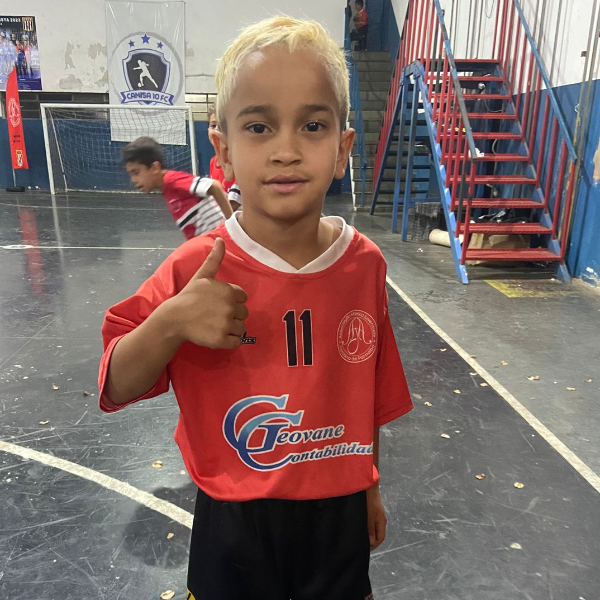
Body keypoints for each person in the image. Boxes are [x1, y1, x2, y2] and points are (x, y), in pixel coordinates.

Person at [99, 16, 412, 600]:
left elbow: (365, 390)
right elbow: (115, 383)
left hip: (338, 515)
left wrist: (369, 484)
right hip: (233, 519)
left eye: (312, 125)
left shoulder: (364, 264)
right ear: (223, 150)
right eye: (259, 127)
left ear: (343, 149)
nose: (286, 150)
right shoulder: (196, 268)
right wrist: (171, 322)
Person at [122, 136, 233, 240]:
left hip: (220, 240)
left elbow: (214, 186)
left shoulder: (172, 180)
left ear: (155, 168)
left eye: (136, 173)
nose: (133, 179)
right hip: (209, 243)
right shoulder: (167, 189)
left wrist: (233, 225)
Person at [207, 104, 242, 211]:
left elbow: (233, 204)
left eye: (222, 126)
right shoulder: (213, 162)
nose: (216, 131)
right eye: (213, 126)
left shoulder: (239, 162)